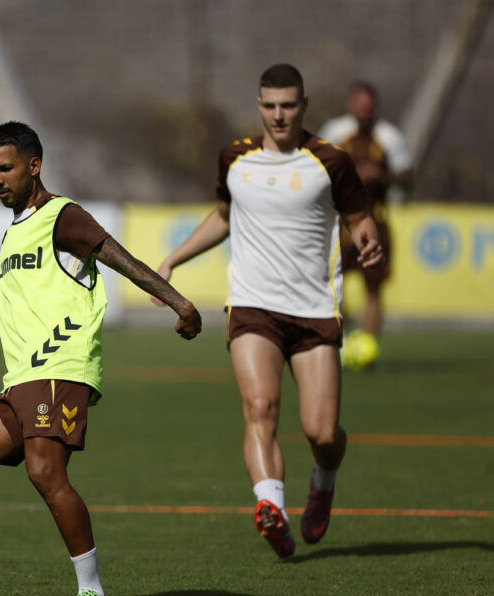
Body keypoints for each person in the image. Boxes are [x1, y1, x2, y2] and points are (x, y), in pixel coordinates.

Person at [0, 121, 201, 596]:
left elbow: (121, 258)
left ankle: (92, 589)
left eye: (5, 169)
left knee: (45, 473)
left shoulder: (62, 217)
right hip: (20, 380)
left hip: (60, 367)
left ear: (34, 166)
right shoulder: (13, 232)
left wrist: (180, 304)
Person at [154, 65, 384, 559]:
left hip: (314, 309)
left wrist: (369, 245)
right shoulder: (235, 158)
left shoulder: (331, 161)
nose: (278, 115)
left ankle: (324, 478)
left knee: (322, 432)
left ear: (304, 104)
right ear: (259, 106)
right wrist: (173, 259)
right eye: (270, 106)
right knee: (260, 409)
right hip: (252, 305)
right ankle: (271, 508)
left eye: (288, 105)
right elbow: (222, 217)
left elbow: (360, 219)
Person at [318, 82, 413, 368]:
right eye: (359, 104)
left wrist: (380, 177)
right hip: (340, 219)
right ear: (350, 104)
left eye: (369, 105)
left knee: (374, 286)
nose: (364, 110)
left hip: (376, 219)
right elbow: (315, 168)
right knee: (336, 284)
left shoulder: (389, 136)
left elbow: (407, 177)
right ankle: (343, 342)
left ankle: (368, 347)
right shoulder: (335, 132)